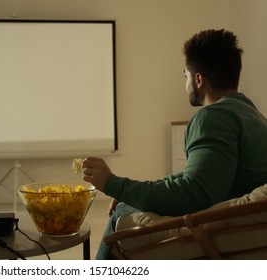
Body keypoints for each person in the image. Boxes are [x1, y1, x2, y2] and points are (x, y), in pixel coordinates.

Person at [82, 29, 267, 260]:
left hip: (219, 236)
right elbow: (197, 178)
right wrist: (130, 191)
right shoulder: (255, 117)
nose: (186, 83)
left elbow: (195, 193)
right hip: (247, 235)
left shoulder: (213, 117)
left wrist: (113, 184)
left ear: (198, 79)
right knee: (129, 203)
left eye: (185, 76)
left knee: (121, 212)